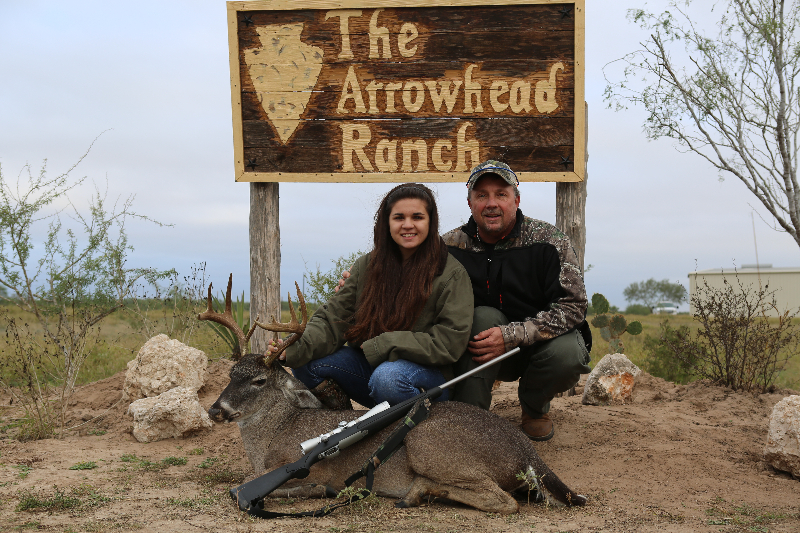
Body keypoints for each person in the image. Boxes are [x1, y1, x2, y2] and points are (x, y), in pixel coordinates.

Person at [270, 183, 473, 409]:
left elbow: (449, 342)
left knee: (388, 379)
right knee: (305, 363)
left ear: (430, 221)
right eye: (398, 218)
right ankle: (344, 423)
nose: (408, 225)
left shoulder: (451, 273)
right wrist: (295, 346)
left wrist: (385, 344)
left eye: (417, 217)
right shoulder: (367, 265)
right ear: (387, 222)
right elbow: (333, 319)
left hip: (426, 377)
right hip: (373, 365)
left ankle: (422, 427)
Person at [443, 160, 592, 442]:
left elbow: (575, 307)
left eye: (501, 194)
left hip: (540, 349)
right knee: (483, 316)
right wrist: (361, 279)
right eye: (481, 195)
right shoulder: (448, 247)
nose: (491, 203)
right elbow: (410, 285)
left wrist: (513, 335)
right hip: (481, 351)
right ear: (469, 202)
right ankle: (471, 417)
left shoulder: (550, 241)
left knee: (569, 354)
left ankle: (534, 409)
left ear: (517, 200)